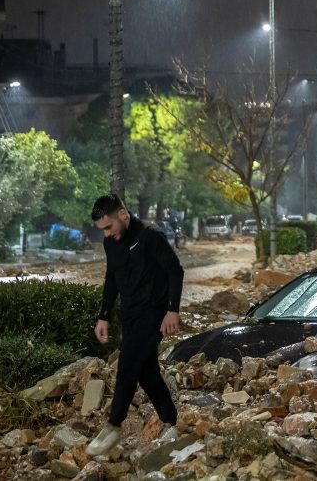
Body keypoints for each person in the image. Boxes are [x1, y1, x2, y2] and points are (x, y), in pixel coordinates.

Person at [86, 194, 185, 457]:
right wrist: (103, 316)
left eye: (109, 227)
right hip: (129, 315)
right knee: (146, 372)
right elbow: (111, 278)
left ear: (123, 215)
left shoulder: (150, 237)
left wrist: (172, 311)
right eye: (102, 230)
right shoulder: (111, 242)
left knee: (128, 364)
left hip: (154, 314)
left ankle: (113, 425)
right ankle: (172, 421)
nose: (106, 234)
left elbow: (175, 271)